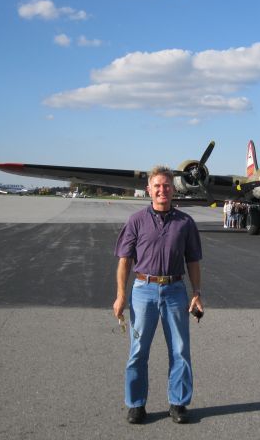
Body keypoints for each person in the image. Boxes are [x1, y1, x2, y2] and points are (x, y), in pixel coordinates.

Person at [113, 166, 204, 425]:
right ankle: (136, 404)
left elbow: (194, 261)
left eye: (167, 186)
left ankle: (178, 403)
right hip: (144, 290)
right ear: (149, 190)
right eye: (157, 186)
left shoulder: (185, 223)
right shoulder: (136, 221)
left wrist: (196, 293)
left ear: (173, 190)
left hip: (175, 290)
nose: (162, 190)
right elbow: (124, 261)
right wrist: (120, 296)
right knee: (138, 350)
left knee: (180, 350)